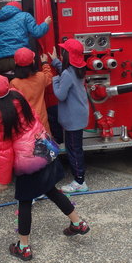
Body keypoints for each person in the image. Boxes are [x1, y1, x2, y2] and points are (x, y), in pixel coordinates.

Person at [0, 74, 90, 262]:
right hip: (43, 149)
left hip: (28, 162)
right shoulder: (17, 97)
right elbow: (36, 118)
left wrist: (2, 180)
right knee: (51, 190)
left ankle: (23, 247)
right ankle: (78, 223)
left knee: (25, 201)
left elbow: (4, 151)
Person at [51, 39, 90, 193]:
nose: (62, 54)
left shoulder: (67, 73)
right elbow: (66, 72)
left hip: (73, 118)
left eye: (63, 52)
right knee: (75, 148)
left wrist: (55, 80)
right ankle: (79, 178)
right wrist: (55, 62)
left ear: (67, 55)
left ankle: (80, 181)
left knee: (74, 150)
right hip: (79, 115)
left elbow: (60, 95)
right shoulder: (78, 69)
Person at [0, 1, 51, 75]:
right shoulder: (25, 16)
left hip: (2, 62)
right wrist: (46, 24)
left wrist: (1, 53)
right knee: (30, 79)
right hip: (21, 60)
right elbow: (37, 33)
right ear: (18, 8)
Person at [10, 47, 53, 133]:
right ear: (33, 62)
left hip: (25, 126)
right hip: (42, 123)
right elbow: (49, 76)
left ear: (15, 63)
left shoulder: (14, 83)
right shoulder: (40, 77)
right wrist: (45, 63)